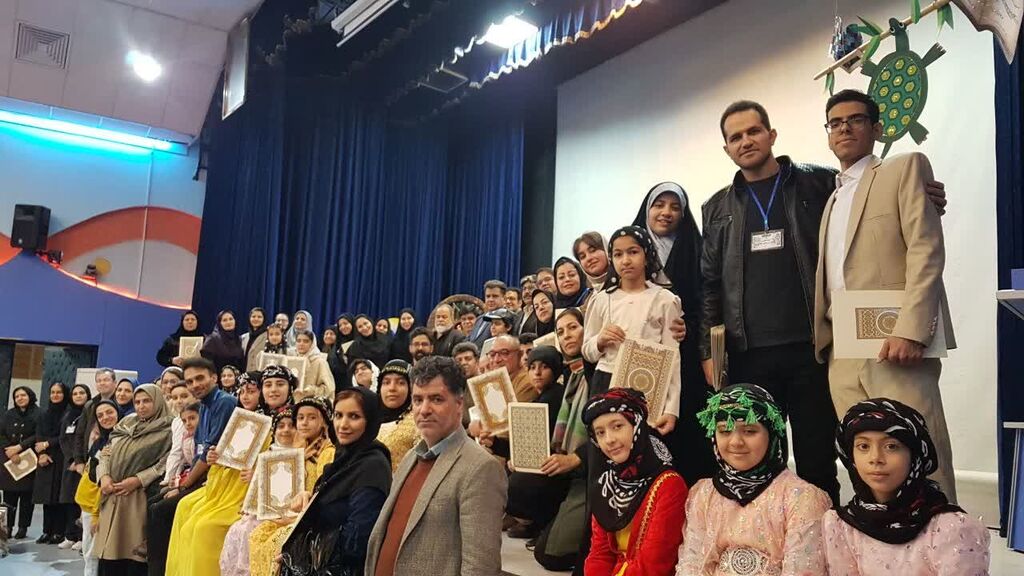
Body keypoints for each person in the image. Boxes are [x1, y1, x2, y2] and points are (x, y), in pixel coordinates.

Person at [814, 89, 957, 501]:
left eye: (855, 119)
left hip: (894, 339)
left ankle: (942, 537)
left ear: (876, 128)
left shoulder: (903, 168)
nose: (844, 128)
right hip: (841, 344)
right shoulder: (831, 196)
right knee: (864, 459)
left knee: (918, 449)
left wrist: (912, 329)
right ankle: (876, 535)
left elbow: (925, 249)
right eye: (835, 122)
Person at [365, 356, 507, 576]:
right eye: (418, 400)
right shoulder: (411, 457)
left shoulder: (481, 468)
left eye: (436, 399)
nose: (424, 409)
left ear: (459, 404)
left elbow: (480, 566)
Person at [677, 384, 831, 575]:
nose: (736, 442)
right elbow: (691, 566)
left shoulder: (801, 498)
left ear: (772, 434)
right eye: (725, 431)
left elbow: (803, 570)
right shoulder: (704, 494)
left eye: (749, 431)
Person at [824, 399, 989, 575]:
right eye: (863, 446)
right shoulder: (841, 525)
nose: (875, 458)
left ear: (915, 455)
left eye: (891, 446)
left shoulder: (951, 529)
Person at [165, 364, 293, 576]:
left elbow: (291, 466)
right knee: (184, 510)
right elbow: (230, 461)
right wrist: (216, 458)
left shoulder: (293, 419)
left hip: (265, 496)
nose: (272, 390)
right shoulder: (250, 420)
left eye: (279, 384)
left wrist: (257, 479)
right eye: (268, 385)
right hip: (231, 487)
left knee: (204, 528)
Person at [278, 387, 392, 576]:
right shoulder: (345, 458)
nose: (343, 425)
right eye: (338, 415)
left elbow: (356, 540)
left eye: (354, 416)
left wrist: (300, 553)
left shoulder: (372, 467)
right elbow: (335, 499)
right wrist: (310, 498)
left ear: (370, 420)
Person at [583, 226, 682, 434]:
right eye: (618, 254)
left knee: (641, 446)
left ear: (647, 255)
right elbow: (587, 351)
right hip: (605, 383)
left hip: (646, 385)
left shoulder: (665, 300)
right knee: (607, 446)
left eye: (633, 252)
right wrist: (599, 340)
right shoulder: (601, 299)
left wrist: (671, 409)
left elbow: (672, 357)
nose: (626, 260)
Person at [146, 357, 237, 576]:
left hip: (219, 479)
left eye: (199, 378)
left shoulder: (224, 402)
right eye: (190, 381)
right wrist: (178, 481)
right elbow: (198, 452)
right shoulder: (203, 406)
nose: (195, 385)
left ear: (214, 378)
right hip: (203, 474)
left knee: (161, 510)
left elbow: (207, 455)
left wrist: (184, 485)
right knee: (153, 501)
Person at [583, 389, 687, 575]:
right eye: (600, 432)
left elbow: (654, 565)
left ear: (637, 425)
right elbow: (599, 555)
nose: (609, 440)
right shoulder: (606, 484)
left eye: (617, 426)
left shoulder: (669, 486)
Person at [249, 396, 338, 576]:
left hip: (310, 516)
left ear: (323, 422)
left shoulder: (327, 453)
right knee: (257, 534)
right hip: (290, 511)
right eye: (300, 418)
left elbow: (322, 495)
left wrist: (295, 518)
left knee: (276, 541)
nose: (304, 422)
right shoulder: (298, 451)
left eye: (312, 417)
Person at [94, 384, 173, 576]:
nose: (141, 406)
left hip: (137, 499)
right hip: (111, 495)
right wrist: (103, 476)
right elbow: (105, 453)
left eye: (147, 401)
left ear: (158, 401)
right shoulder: (126, 424)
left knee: (132, 554)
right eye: (137, 402)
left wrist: (138, 479)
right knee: (107, 556)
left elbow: (164, 462)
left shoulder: (169, 428)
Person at [496, 346, 567, 541]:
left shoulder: (554, 397)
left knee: (513, 485)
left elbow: (536, 447)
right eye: (532, 367)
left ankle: (543, 524)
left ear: (555, 370)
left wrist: (518, 459)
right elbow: (523, 443)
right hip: (544, 464)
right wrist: (494, 443)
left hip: (555, 469)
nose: (537, 372)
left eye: (544, 367)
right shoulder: (543, 396)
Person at [218, 408, 297, 576]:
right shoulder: (269, 453)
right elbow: (256, 490)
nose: (286, 430)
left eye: (291, 425)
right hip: (262, 510)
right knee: (238, 529)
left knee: (249, 532)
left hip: (284, 512)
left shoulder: (300, 453)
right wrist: (250, 504)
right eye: (281, 426)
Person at [76, 400, 121, 576]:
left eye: (109, 412)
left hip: (101, 503)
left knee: (95, 552)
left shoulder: (119, 441)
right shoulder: (99, 441)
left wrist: (96, 512)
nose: (105, 418)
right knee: (89, 550)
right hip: (88, 502)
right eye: (100, 415)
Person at [32, 382, 70, 544]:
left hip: (61, 457)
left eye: (59, 392)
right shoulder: (44, 414)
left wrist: (47, 444)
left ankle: (58, 532)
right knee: (46, 498)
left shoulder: (69, 414)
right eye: (52, 392)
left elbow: (65, 436)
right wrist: (41, 454)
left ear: (65, 394)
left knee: (59, 496)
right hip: (46, 459)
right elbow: (39, 434)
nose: (55, 395)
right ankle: (46, 530)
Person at [57, 383, 92, 550]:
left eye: (82, 393)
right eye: (75, 393)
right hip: (70, 464)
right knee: (69, 500)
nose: (78, 396)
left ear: (88, 395)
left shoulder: (90, 412)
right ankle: (69, 535)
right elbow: (63, 439)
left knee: (83, 501)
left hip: (85, 463)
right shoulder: (68, 415)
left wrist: (81, 460)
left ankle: (80, 537)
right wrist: (72, 459)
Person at [1, 386, 39, 538]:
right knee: (9, 496)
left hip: (29, 459)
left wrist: (20, 447)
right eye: (17, 396)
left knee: (26, 497)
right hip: (10, 459)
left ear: (30, 396)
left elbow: (38, 434)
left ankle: (23, 527)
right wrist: (10, 451)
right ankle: (8, 527)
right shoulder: (8, 414)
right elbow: (1, 434)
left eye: (23, 395)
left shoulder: (38, 414)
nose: (20, 398)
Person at [375, 360, 420, 471]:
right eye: (386, 382)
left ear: (411, 388)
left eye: (400, 383)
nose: (392, 388)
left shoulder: (419, 421)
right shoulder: (367, 420)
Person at [74, 369, 118, 475]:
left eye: (106, 380)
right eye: (99, 381)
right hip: (88, 459)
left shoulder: (120, 404)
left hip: (111, 461)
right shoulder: (89, 405)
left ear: (115, 383)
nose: (102, 383)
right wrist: (79, 460)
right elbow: (80, 433)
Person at [160, 382, 197, 490]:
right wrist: (169, 478)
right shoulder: (176, 422)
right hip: (185, 471)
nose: (179, 401)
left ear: (195, 396)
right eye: (175, 398)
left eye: (184, 396)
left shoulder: (202, 417)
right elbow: (176, 452)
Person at [487, 335, 537, 403]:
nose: (496, 360)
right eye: (492, 354)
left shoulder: (527, 383)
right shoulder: (492, 384)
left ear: (520, 355)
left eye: (504, 353)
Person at [293, 330, 336, 401]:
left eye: (306, 341)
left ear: (312, 344)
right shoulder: (293, 360)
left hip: (312, 402)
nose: (301, 344)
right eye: (298, 341)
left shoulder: (320, 362)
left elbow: (329, 389)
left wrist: (311, 391)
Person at [467, 280, 508, 348]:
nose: (490, 299)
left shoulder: (507, 318)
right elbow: (470, 340)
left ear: (504, 298)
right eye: (488, 296)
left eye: (495, 296)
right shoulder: (480, 318)